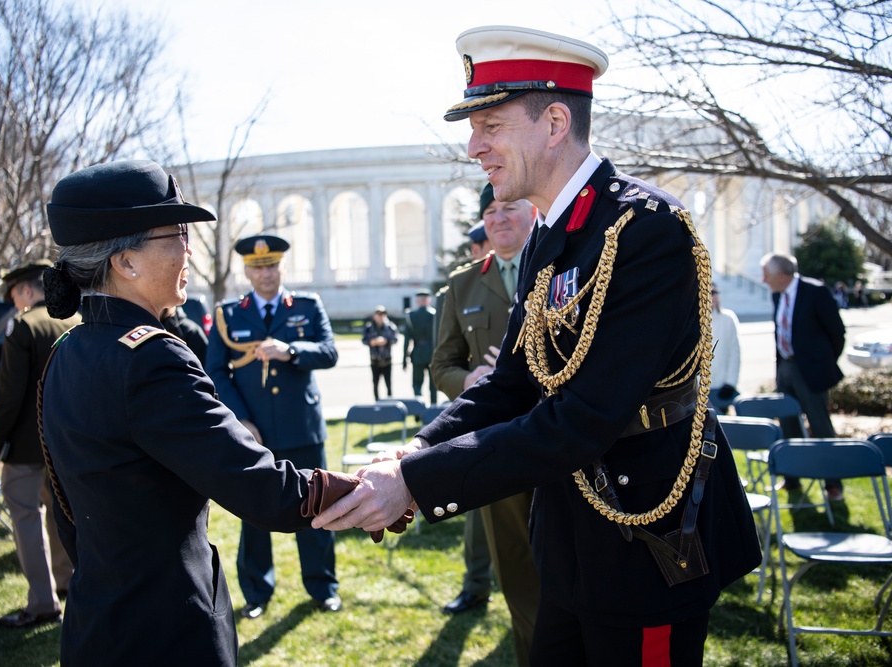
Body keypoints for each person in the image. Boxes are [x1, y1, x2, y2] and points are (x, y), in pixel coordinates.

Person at [313, 25, 761, 666]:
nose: (474, 148)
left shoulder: (644, 229)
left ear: (554, 122)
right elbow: (513, 384)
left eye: (490, 125)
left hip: (649, 543)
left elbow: (583, 418)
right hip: (570, 540)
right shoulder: (552, 238)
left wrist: (413, 482)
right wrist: (416, 450)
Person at [39, 160, 318, 665]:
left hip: (97, 622)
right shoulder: (149, 356)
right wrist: (370, 486)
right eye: (178, 234)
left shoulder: (67, 350)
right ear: (126, 262)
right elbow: (262, 490)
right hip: (169, 631)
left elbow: (67, 514)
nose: (190, 249)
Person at [431, 182, 540, 664]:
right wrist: (471, 377)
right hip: (497, 444)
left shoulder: (560, 266)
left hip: (566, 438)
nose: (498, 219)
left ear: (533, 211)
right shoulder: (463, 284)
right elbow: (441, 366)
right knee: (517, 569)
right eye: (491, 211)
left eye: (509, 208)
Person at [206, 233, 341, 618]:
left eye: (272, 265)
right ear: (247, 270)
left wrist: (292, 350)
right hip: (254, 431)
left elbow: (329, 352)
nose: (265, 273)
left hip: (302, 427)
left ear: (283, 267)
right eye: (257, 267)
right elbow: (215, 369)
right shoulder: (229, 314)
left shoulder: (307, 305)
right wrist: (240, 419)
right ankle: (257, 592)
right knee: (255, 513)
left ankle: (322, 586)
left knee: (318, 508)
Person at [0, 261, 79, 629]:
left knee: (27, 517)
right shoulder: (75, 322)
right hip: (67, 443)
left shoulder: (23, 326)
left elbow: (8, 398)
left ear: (24, 292)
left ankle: (42, 602)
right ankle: (67, 580)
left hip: (26, 445)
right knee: (60, 513)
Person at [761, 252, 847, 500]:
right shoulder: (777, 295)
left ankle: (833, 485)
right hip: (786, 368)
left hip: (811, 370)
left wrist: (823, 362)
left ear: (781, 275)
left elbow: (837, 332)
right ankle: (793, 479)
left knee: (820, 426)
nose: (763, 280)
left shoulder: (816, 291)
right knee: (788, 424)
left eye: (766, 274)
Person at [707, 284, 740, 414]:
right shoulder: (692, 320)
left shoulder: (728, 318)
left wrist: (730, 383)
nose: (713, 296)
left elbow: (734, 353)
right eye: (709, 292)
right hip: (699, 389)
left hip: (721, 386)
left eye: (715, 292)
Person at [403, 290, 437, 405]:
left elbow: (407, 340)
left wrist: (404, 359)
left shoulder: (410, 316)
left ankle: (419, 410)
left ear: (417, 301)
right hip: (433, 354)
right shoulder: (436, 315)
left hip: (417, 353)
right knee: (433, 385)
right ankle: (433, 409)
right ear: (428, 300)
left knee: (417, 384)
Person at [362, 305, 399, 401]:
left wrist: (386, 341)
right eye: (378, 314)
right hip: (375, 360)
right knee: (375, 383)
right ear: (374, 316)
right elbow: (364, 340)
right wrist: (372, 342)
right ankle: (377, 402)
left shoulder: (390, 327)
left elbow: (395, 339)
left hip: (387, 360)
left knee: (388, 383)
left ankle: (390, 402)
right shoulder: (369, 328)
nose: (380, 316)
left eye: (383, 314)